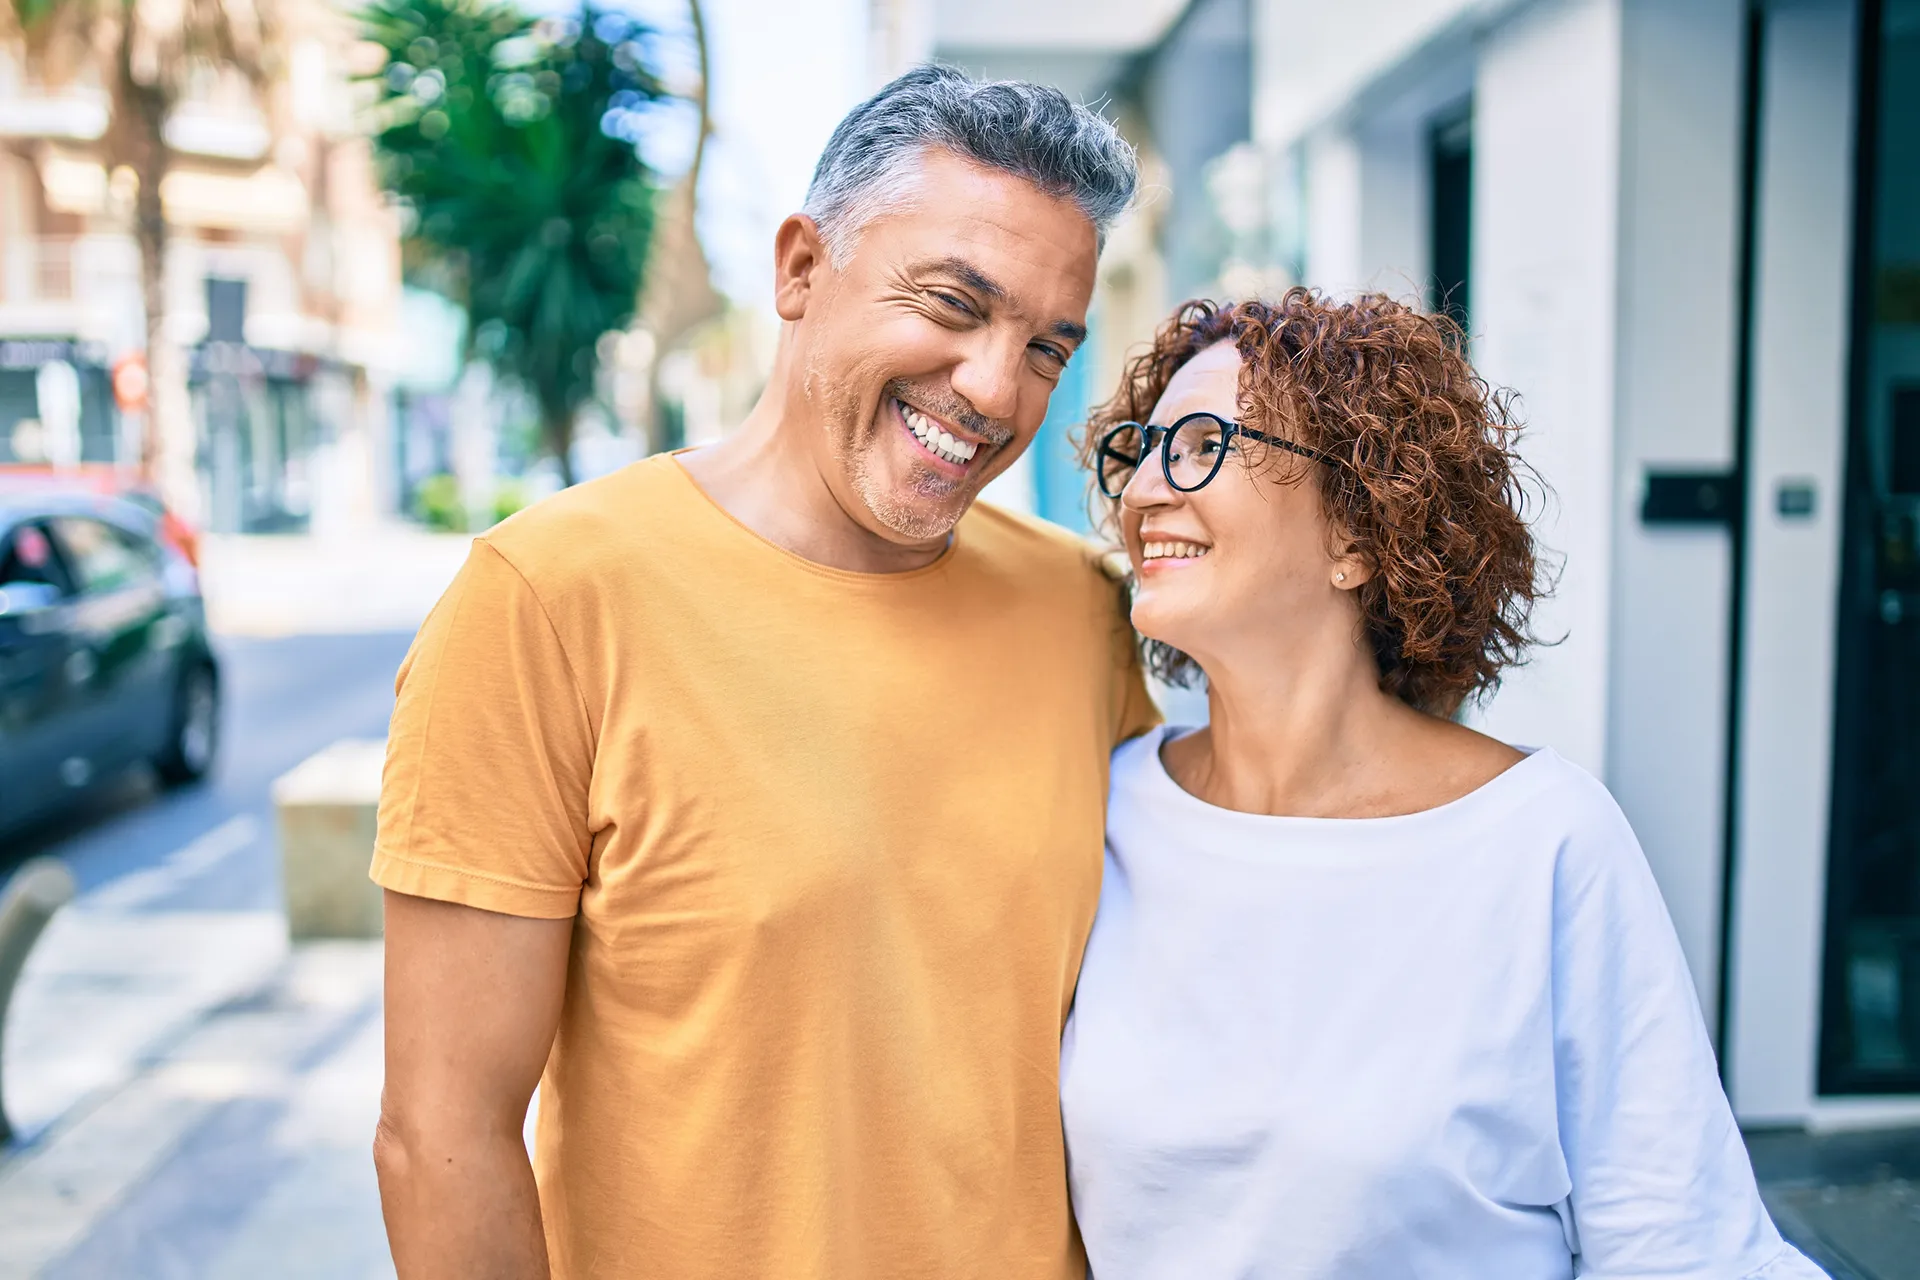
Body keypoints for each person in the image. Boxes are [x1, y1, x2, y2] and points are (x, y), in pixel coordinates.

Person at [372, 66, 1156, 1280]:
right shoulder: (548, 600)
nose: (998, 391)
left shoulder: (1082, 611)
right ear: (800, 268)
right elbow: (443, 1135)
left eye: (1047, 347)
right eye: (953, 302)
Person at [1059, 291, 1829, 1280]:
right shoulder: (1111, 807)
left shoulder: (1541, 840)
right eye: (1141, 448)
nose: (1144, 491)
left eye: (1204, 442)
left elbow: (1677, 1247)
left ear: (1355, 533)